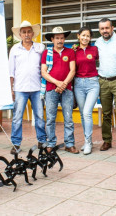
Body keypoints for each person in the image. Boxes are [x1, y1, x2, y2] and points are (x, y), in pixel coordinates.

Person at [8, 20, 47, 154]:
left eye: (29, 31)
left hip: (37, 89)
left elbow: (45, 67)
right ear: (20, 34)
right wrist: (11, 89)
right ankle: (16, 144)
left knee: (40, 116)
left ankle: (42, 141)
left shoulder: (40, 48)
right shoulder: (14, 49)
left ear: (32, 33)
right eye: (24, 32)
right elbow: (11, 71)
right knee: (17, 117)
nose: (26, 34)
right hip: (20, 88)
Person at [41, 26, 79, 154]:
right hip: (51, 89)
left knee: (68, 118)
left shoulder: (70, 52)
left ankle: (69, 144)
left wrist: (64, 84)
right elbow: (44, 72)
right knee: (51, 118)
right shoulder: (47, 53)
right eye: (57, 38)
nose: (60, 40)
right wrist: (57, 83)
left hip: (67, 89)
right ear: (52, 39)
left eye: (62, 38)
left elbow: (72, 70)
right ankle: (51, 143)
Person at [95, 18, 116, 154]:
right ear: (99, 30)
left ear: (112, 28)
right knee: (106, 113)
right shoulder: (97, 42)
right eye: (102, 29)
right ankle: (107, 140)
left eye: (107, 28)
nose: (105, 31)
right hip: (103, 81)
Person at [73, 27, 100, 155]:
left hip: (93, 83)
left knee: (87, 113)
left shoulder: (94, 49)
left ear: (90, 38)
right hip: (78, 83)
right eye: (83, 35)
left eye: (88, 36)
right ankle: (86, 140)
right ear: (79, 36)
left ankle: (89, 142)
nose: (85, 38)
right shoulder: (73, 51)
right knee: (83, 114)